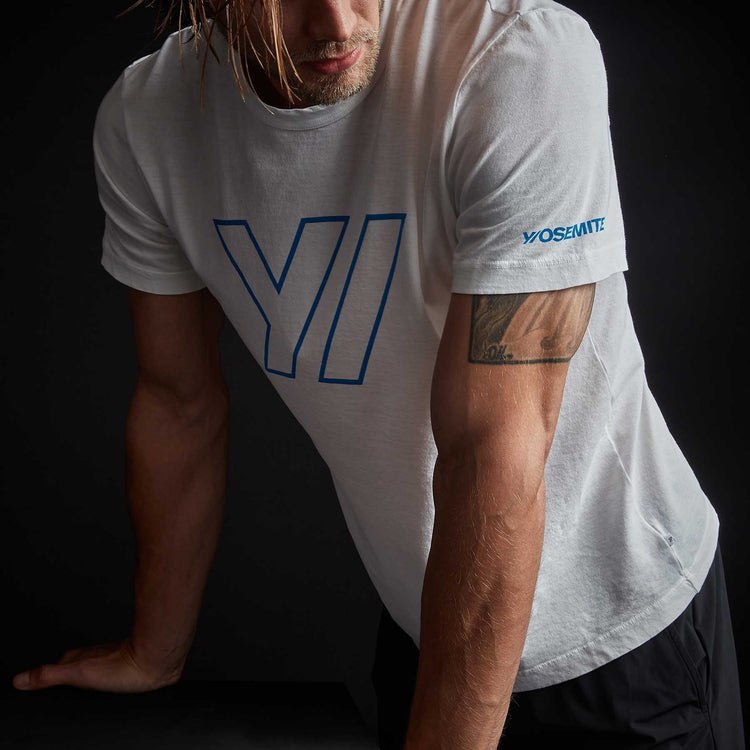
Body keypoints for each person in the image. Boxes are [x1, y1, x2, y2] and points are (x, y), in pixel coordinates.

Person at [12, 0, 745, 747]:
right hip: (428, 620)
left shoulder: (519, 58)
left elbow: (493, 449)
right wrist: (155, 653)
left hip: (626, 642)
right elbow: (178, 404)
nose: (335, 22)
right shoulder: (149, 119)